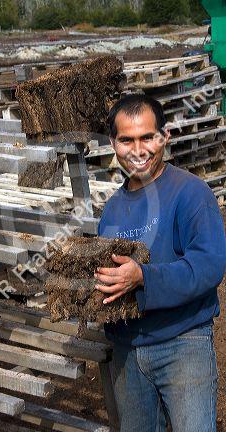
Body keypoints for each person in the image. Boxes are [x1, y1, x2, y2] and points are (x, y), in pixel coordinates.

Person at [95, 94, 226, 432]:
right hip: (128, 350)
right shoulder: (112, 208)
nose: (137, 150)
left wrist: (143, 278)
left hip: (183, 342)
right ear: (113, 143)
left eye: (147, 137)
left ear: (164, 137)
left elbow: (209, 266)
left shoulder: (191, 193)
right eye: (126, 140)